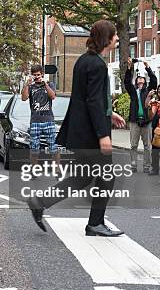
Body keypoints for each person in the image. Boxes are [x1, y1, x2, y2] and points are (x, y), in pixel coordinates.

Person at [27, 20, 127, 237]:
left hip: (80, 131)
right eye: (115, 35)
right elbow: (92, 102)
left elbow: (87, 99)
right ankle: (95, 224)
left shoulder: (83, 61)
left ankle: (40, 201)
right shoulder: (98, 65)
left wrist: (110, 114)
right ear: (106, 39)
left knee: (83, 177)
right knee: (107, 177)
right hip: (91, 135)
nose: (117, 38)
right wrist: (103, 135)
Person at [124, 59, 157, 173]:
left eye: (142, 79)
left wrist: (148, 67)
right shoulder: (133, 91)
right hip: (134, 121)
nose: (141, 80)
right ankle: (133, 165)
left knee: (147, 146)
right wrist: (129, 67)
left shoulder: (148, 91)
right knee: (133, 145)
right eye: (139, 78)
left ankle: (147, 166)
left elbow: (154, 81)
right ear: (136, 81)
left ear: (145, 81)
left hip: (146, 122)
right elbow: (127, 82)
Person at [21, 64, 57, 159]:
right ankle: (34, 169)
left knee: (53, 146)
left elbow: (52, 96)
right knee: (34, 148)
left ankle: (57, 169)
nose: (36, 77)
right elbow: (24, 98)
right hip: (35, 121)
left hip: (48, 120)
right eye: (34, 75)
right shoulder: (31, 86)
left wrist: (45, 85)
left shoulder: (49, 84)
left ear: (42, 74)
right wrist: (27, 84)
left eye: (38, 75)